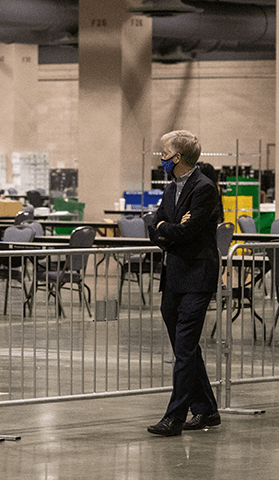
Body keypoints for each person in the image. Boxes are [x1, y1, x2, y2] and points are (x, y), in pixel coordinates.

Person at [147, 130, 221, 436]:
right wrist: (168, 227)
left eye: (165, 152)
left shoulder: (204, 189)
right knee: (185, 349)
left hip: (196, 277)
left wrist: (169, 229)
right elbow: (154, 226)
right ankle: (207, 411)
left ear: (177, 157)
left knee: (185, 349)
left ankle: (175, 416)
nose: (161, 156)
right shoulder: (170, 188)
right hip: (173, 277)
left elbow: (186, 233)